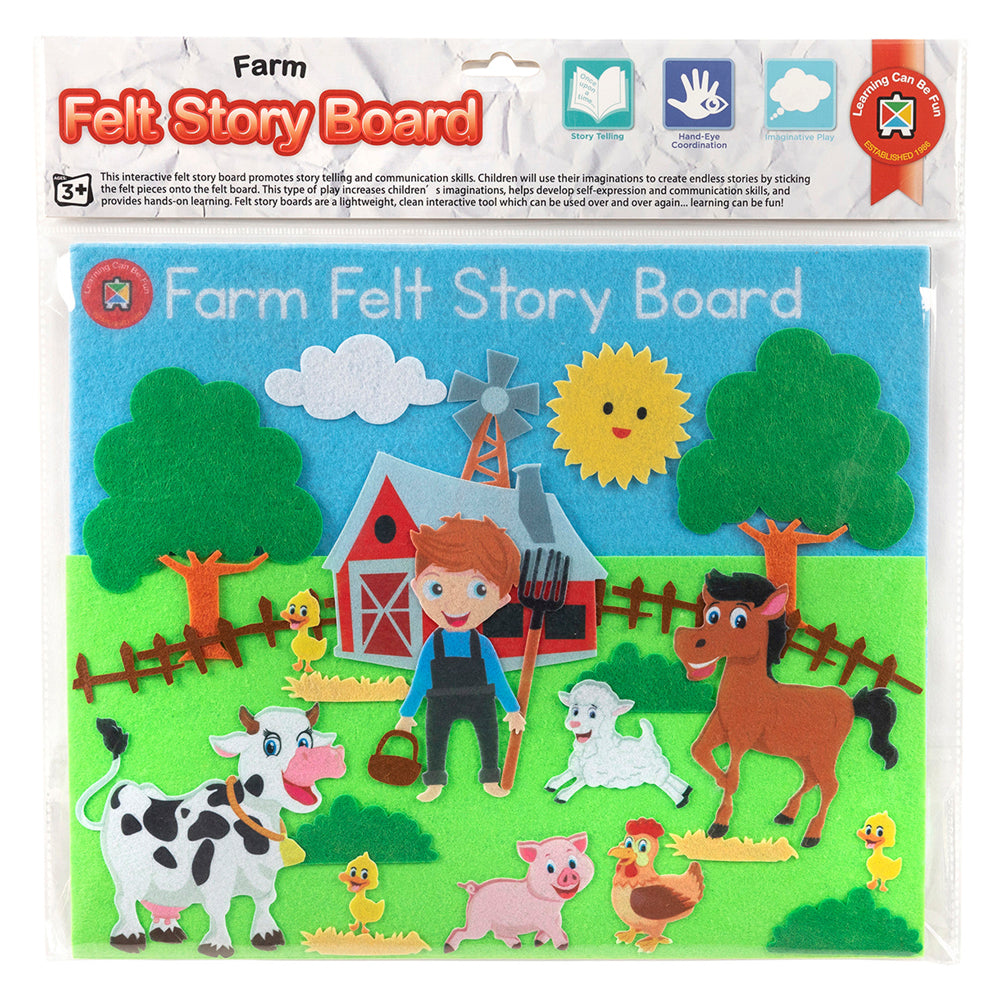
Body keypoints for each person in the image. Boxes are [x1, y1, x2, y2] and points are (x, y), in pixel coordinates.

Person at [396, 514, 525, 802]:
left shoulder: (482, 645)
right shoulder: (434, 644)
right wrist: (407, 713)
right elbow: (421, 680)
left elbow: (497, 679)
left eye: (479, 589)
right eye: (436, 588)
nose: (456, 605)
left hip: (481, 701)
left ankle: (491, 777)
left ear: (501, 600)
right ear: (417, 587)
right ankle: (434, 782)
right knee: (435, 739)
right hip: (440, 703)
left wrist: (512, 709)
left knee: (489, 736)